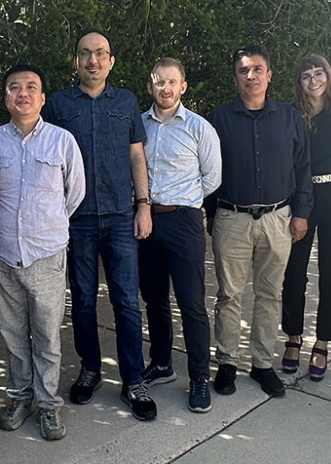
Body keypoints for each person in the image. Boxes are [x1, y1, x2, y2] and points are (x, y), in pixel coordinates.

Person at [42, 28, 157, 421]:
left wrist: (144, 204)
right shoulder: (57, 104)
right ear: (76, 61)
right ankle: (89, 369)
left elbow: (137, 157)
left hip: (122, 217)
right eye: (85, 54)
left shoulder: (125, 102)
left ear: (111, 61)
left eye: (100, 53)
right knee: (85, 301)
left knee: (126, 301)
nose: (93, 60)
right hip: (76, 221)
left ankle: (133, 379)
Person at [206, 44, 312, 399]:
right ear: (235, 77)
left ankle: (263, 364)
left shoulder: (289, 117)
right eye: (243, 71)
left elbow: (303, 167)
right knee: (229, 295)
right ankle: (226, 362)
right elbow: (208, 172)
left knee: (269, 294)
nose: (251, 76)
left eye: (257, 69)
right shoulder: (218, 120)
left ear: (269, 75)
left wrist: (301, 213)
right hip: (231, 218)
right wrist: (210, 216)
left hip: (277, 219)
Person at [0, 65, 85, 441]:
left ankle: (48, 406)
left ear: (43, 98)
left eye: (31, 88)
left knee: (46, 336)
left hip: (46, 256)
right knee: (13, 335)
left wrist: (48, 229)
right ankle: (19, 397)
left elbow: (73, 195)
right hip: (4, 255)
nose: (23, 94)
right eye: (14, 88)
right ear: (6, 98)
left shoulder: (62, 142)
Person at [137, 58, 221, 413]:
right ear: (150, 87)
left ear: (183, 86)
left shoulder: (199, 128)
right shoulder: (138, 125)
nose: (165, 89)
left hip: (184, 222)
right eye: (159, 82)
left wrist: (187, 202)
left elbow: (212, 177)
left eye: (172, 82)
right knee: (154, 299)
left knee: (191, 303)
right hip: (145, 219)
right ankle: (161, 363)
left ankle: (199, 376)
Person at [280, 55, 331, 382]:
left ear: (328, 76)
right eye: (306, 76)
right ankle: (293, 338)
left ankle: (323, 342)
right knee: (294, 271)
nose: (313, 80)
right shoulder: (292, 114)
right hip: (300, 196)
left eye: (319, 73)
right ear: (299, 82)